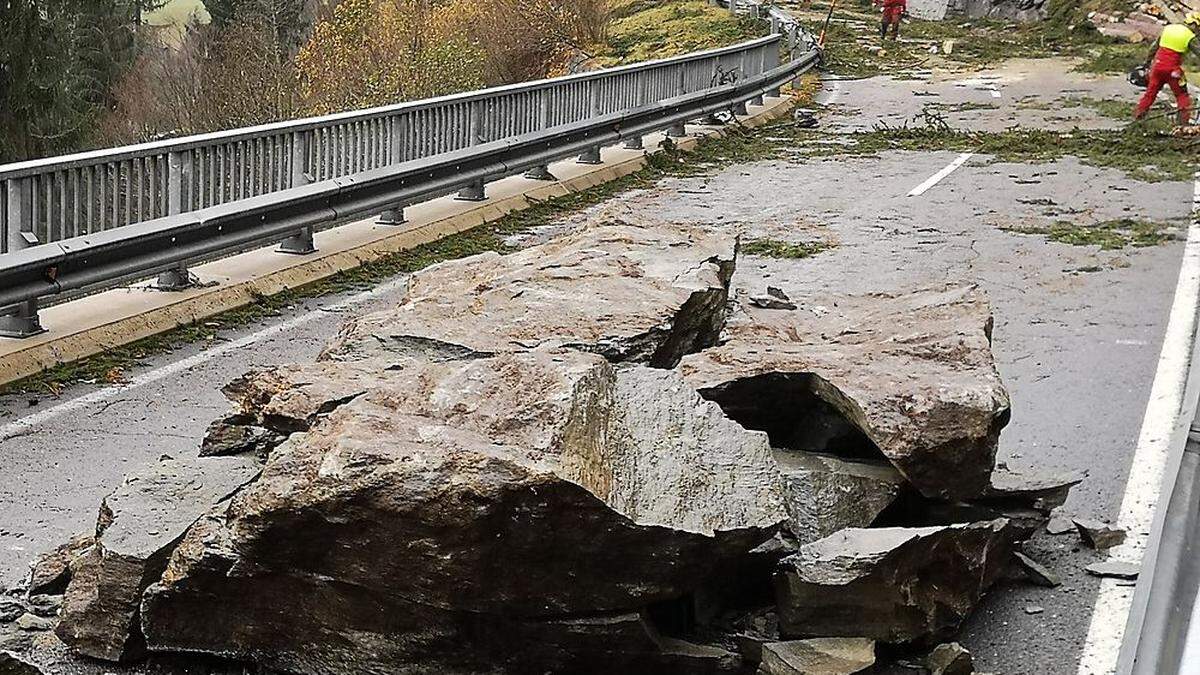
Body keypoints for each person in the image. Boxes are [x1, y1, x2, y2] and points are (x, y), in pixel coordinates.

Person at [1134, 12, 1200, 126]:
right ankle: (1183, 125)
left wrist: (1147, 63)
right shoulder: (1190, 36)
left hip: (1157, 68)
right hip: (1173, 71)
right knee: (1182, 95)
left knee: (1150, 94)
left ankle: (1138, 119)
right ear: (1194, 24)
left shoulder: (1168, 29)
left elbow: (1154, 47)